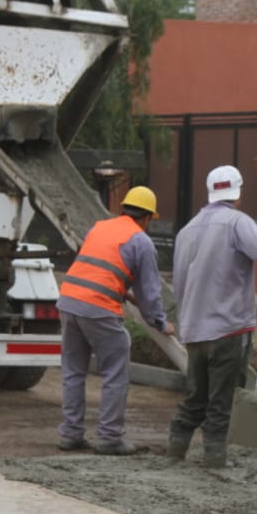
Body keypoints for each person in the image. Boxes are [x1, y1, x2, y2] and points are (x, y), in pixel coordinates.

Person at [167, 166, 257, 469]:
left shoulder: (187, 230)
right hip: (227, 329)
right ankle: (214, 458)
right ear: (238, 194)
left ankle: (175, 450)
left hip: (194, 330)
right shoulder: (235, 223)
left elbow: (178, 282)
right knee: (221, 400)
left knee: (195, 396)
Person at [56, 185, 172, 455]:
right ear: (146, 218)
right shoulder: (141, 240)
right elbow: (150, 293)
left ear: (124, 209)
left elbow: (100, 268)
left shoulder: (100, 227)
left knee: (73, 370)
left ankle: (70, 434)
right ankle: (109, 437)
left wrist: (125, 293)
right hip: (98, 306)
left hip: (70, 299)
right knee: (115, 368)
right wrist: (160, 322)